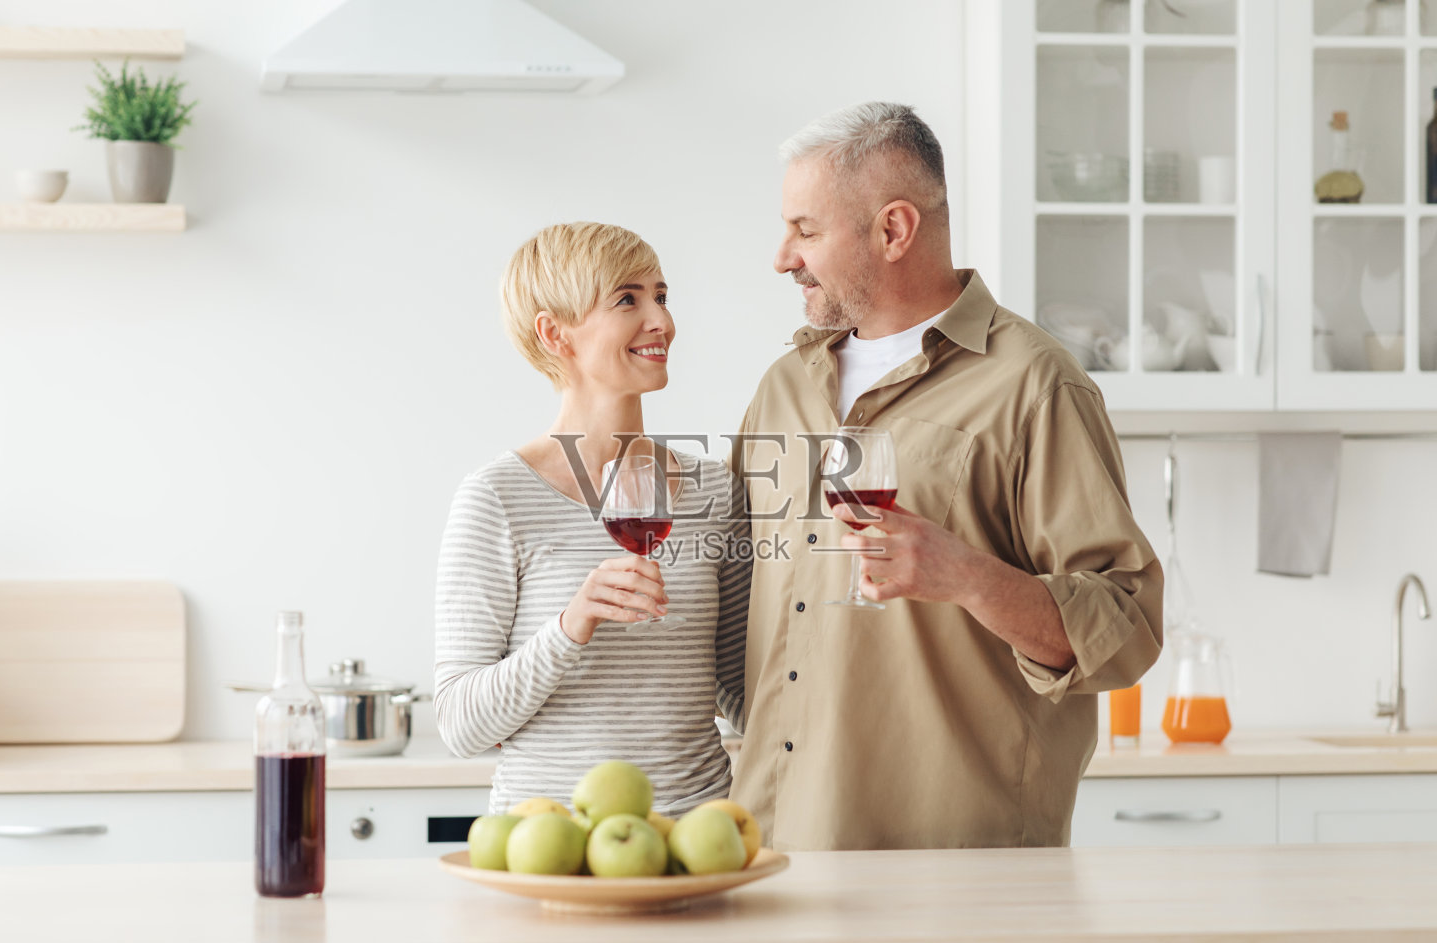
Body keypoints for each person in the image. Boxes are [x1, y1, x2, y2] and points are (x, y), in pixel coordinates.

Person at [729, 102, 1162, 850]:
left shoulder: (1034, 384)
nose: (781, 256)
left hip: (955, 859)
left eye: (805, 230)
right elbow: (742, 600)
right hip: (772, 844)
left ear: (893, 230)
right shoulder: (784, 386)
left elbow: (1126, 631)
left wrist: (967, 575)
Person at [434, 222, 750, 814]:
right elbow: (460, 725)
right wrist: (570, 625)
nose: (661, 320)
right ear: (555, 333)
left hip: (698, 838)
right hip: (548, 841)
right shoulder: (496, 498)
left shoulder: (715, 489)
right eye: (627, 299)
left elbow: (743, 693)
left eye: (661, 295)